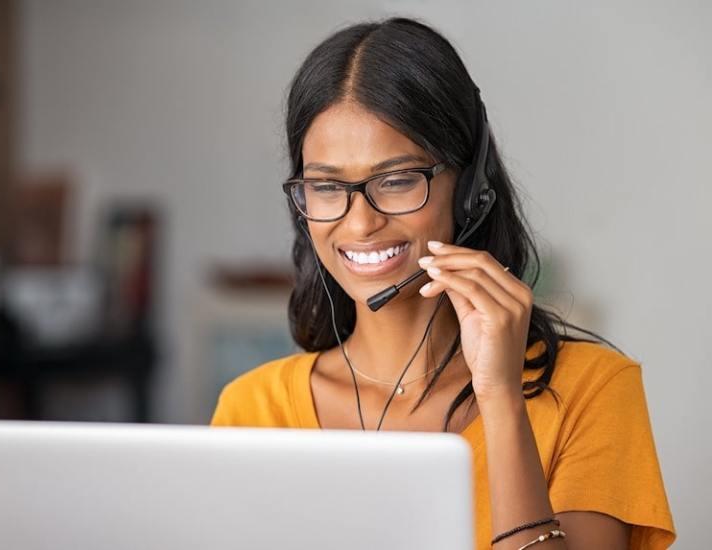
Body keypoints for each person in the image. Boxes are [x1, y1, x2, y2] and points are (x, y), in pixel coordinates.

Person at [211, 17, 675, 549]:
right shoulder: (251, 409)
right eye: (327, 186)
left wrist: (500, 398)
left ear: (470, 189)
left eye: (398, 179)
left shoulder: (593, 389)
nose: (360, 223)